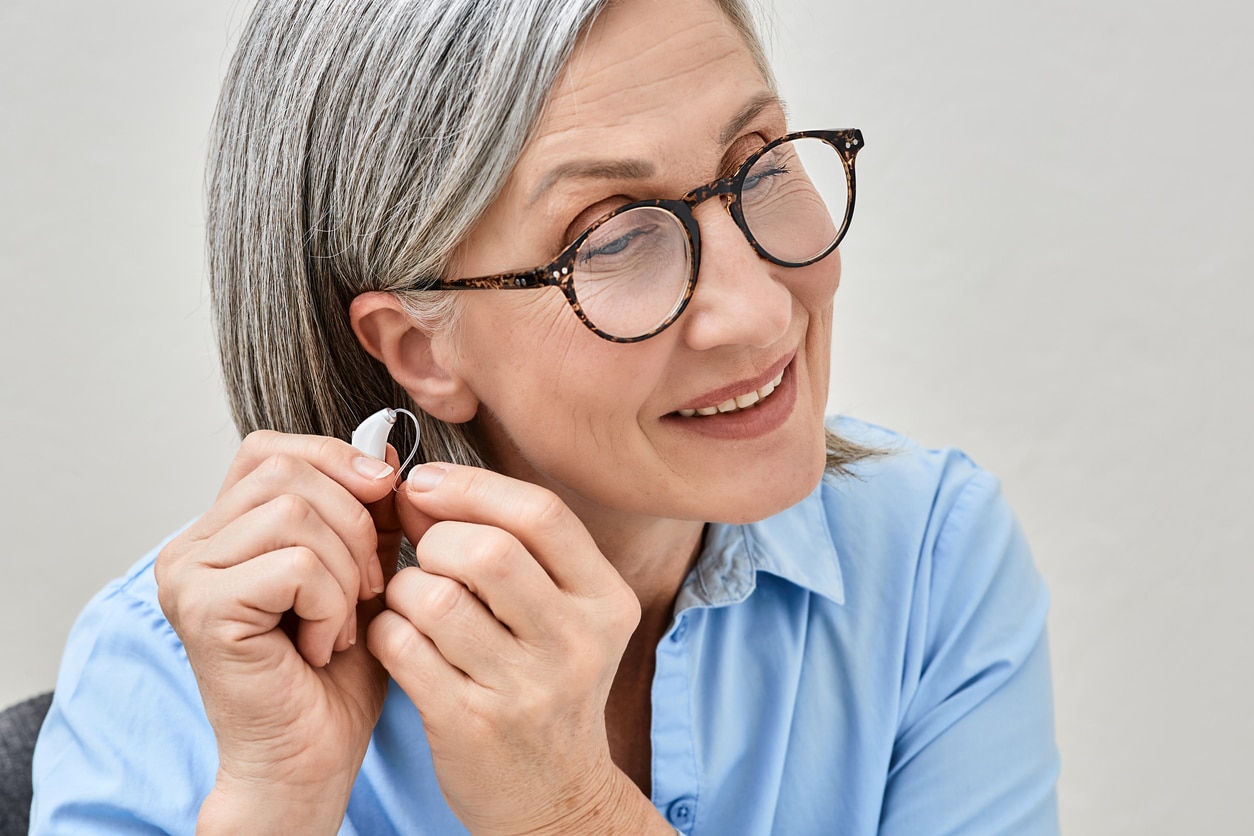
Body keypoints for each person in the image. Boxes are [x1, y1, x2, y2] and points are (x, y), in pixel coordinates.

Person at [30, 0, 1059, 832]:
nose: (757, 310)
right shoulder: (167, 678)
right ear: (418, 349)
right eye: (615, 238)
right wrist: (275, 804)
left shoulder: (927, 554)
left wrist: (570, 812)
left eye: (759, 160)